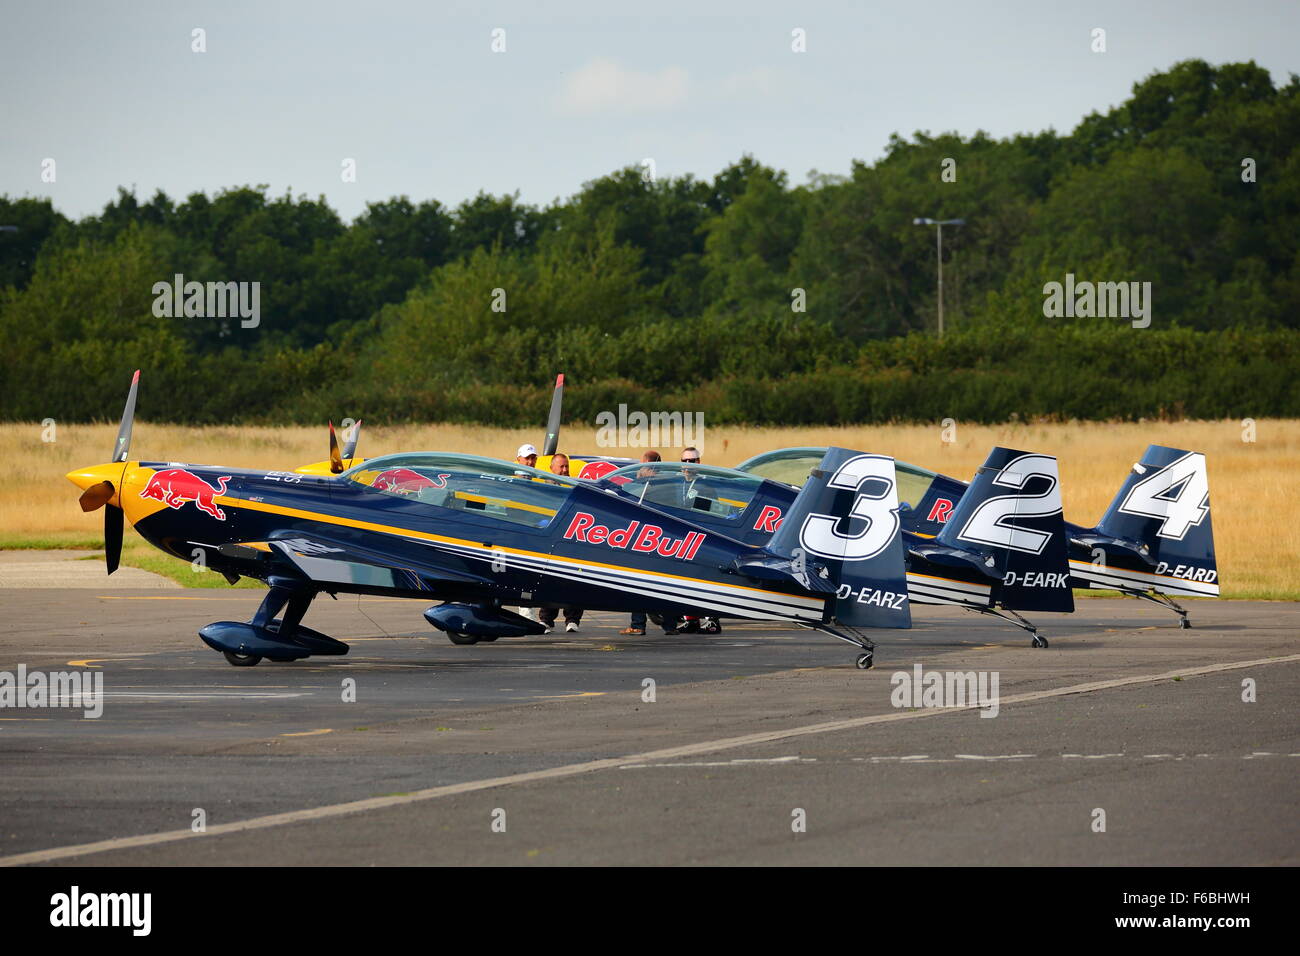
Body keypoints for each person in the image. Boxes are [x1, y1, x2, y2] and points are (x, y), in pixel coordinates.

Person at [540, 453, 583, 633]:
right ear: (552, 469)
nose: (565, 470)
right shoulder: (544, 491)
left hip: (571, 543)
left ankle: (572, 620)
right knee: (548, 580)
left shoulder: (575, 489)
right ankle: (546, 620)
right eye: (561, 467)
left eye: (566, 467)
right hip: (550, 544)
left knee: (573, 581)